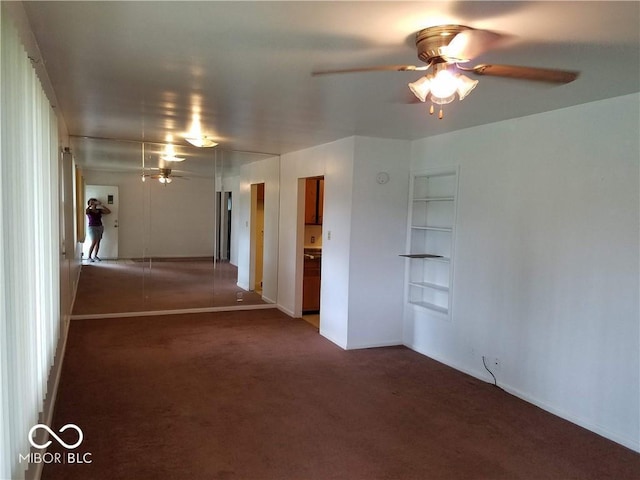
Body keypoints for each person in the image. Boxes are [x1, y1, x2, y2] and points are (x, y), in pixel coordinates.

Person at [85, 198, 111, 262]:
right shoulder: (89, 211)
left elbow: (108, 211)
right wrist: (89, 206)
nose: (94, 204)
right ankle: (89, 257)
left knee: (98, 242)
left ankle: (95, 256)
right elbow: (86, 212)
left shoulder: (99, 210)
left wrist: (101, 205)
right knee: (94, 241)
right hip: (92, 227)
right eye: (92, 202)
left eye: (94, 202)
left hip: (99, 227)